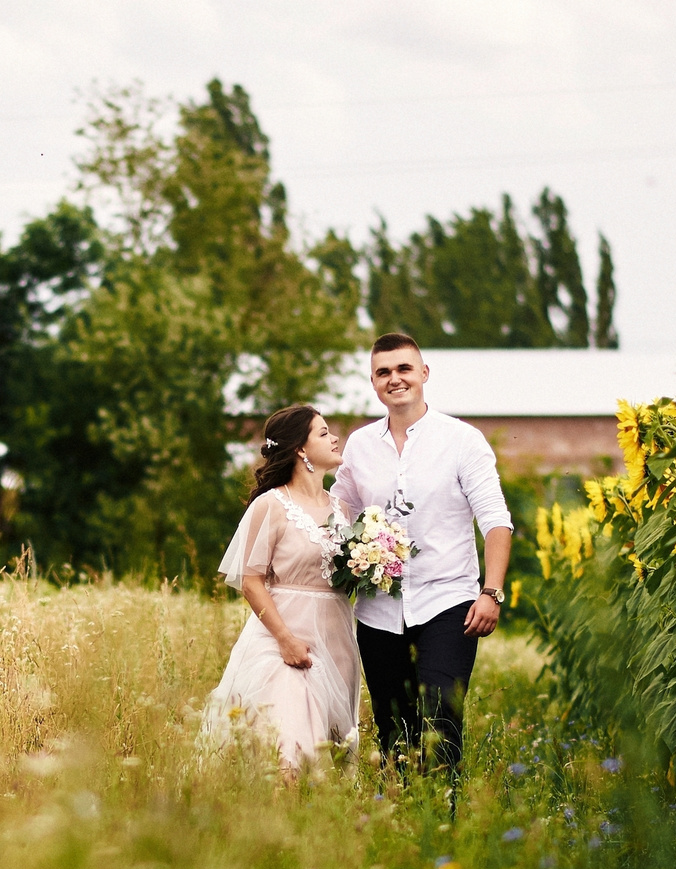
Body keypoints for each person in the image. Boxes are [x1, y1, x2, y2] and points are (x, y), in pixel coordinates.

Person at [330, 333, 513, 780]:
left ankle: (443, 810)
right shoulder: (359, 446)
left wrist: (491, 592)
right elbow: (338, 515)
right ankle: (400, 810)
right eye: (383, 372)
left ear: (424, 373)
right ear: (373, 382)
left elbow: (496, 520)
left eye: (404, 369)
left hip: (448, 602)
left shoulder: (462, 440)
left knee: (441, 717)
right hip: (378, 610)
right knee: (393, 730)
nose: (395, 379)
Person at [199, 404, 361, 773]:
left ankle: (315, 806)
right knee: (291, 739)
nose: (335, 438)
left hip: (335, 635)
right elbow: (251, 581)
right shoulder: (271, 505)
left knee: (330, 744)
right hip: (282, 635)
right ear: (301, 449)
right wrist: (285, 639)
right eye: (323, 433)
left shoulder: (343, 510)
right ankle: (280, 796)